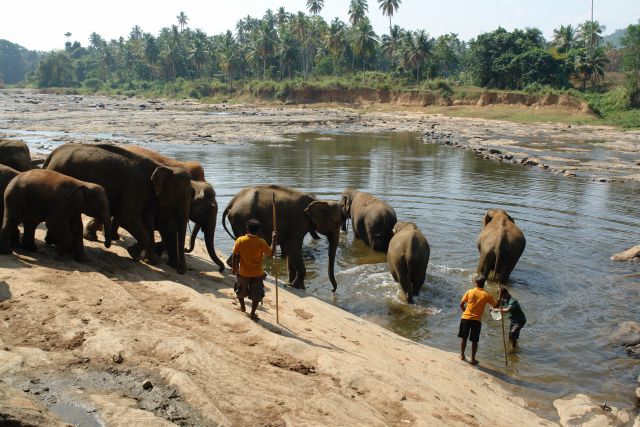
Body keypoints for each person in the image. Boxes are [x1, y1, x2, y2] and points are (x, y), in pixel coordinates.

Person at [231, 219, 277, 321]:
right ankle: (252, 313)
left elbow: (235, 254)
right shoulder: (261, 242)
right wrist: (274, 240)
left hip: (243, 272)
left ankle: (242, 307)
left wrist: (235, 267)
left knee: (240, 291)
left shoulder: (240, 240)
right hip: (257, 273)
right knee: (256, 294)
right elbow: (271, 253)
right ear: (258, 231)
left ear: (247, 229)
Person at [458, 274, 499, 365]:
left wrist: (465, 312)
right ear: (484, 283)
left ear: (476, 283)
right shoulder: (486, 295)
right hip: (476, 320)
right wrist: (499, 299)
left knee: (464, 338)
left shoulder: (469, 291)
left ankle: (462, 355)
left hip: (465, 318)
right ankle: (473, 359)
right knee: (474, 341)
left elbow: (461, 304)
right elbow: (495, 306)